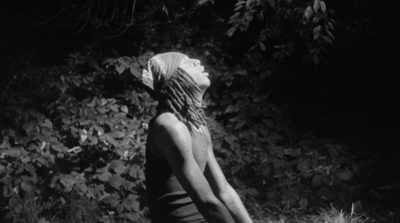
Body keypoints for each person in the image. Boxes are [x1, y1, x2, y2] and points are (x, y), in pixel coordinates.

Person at [141, 52, 254, 223]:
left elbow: (223, 191)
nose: (197, 61)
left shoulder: (198, 125)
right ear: (175, 79)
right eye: (186, 63)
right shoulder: (169, 126)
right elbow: (206, 201)